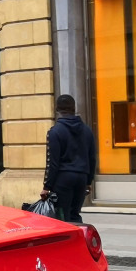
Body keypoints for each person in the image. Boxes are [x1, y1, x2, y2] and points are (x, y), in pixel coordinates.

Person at [40, 94, 97, 224]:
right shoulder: (87, 130)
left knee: (63, 216)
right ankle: (80, 239)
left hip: (63, 178)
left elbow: (52, 163)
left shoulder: (55, 131)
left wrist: (46, 186)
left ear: (57, 109)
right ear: (73, 108)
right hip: (81, 177)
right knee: (75, 214)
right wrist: (89, 181)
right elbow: (92, 158)